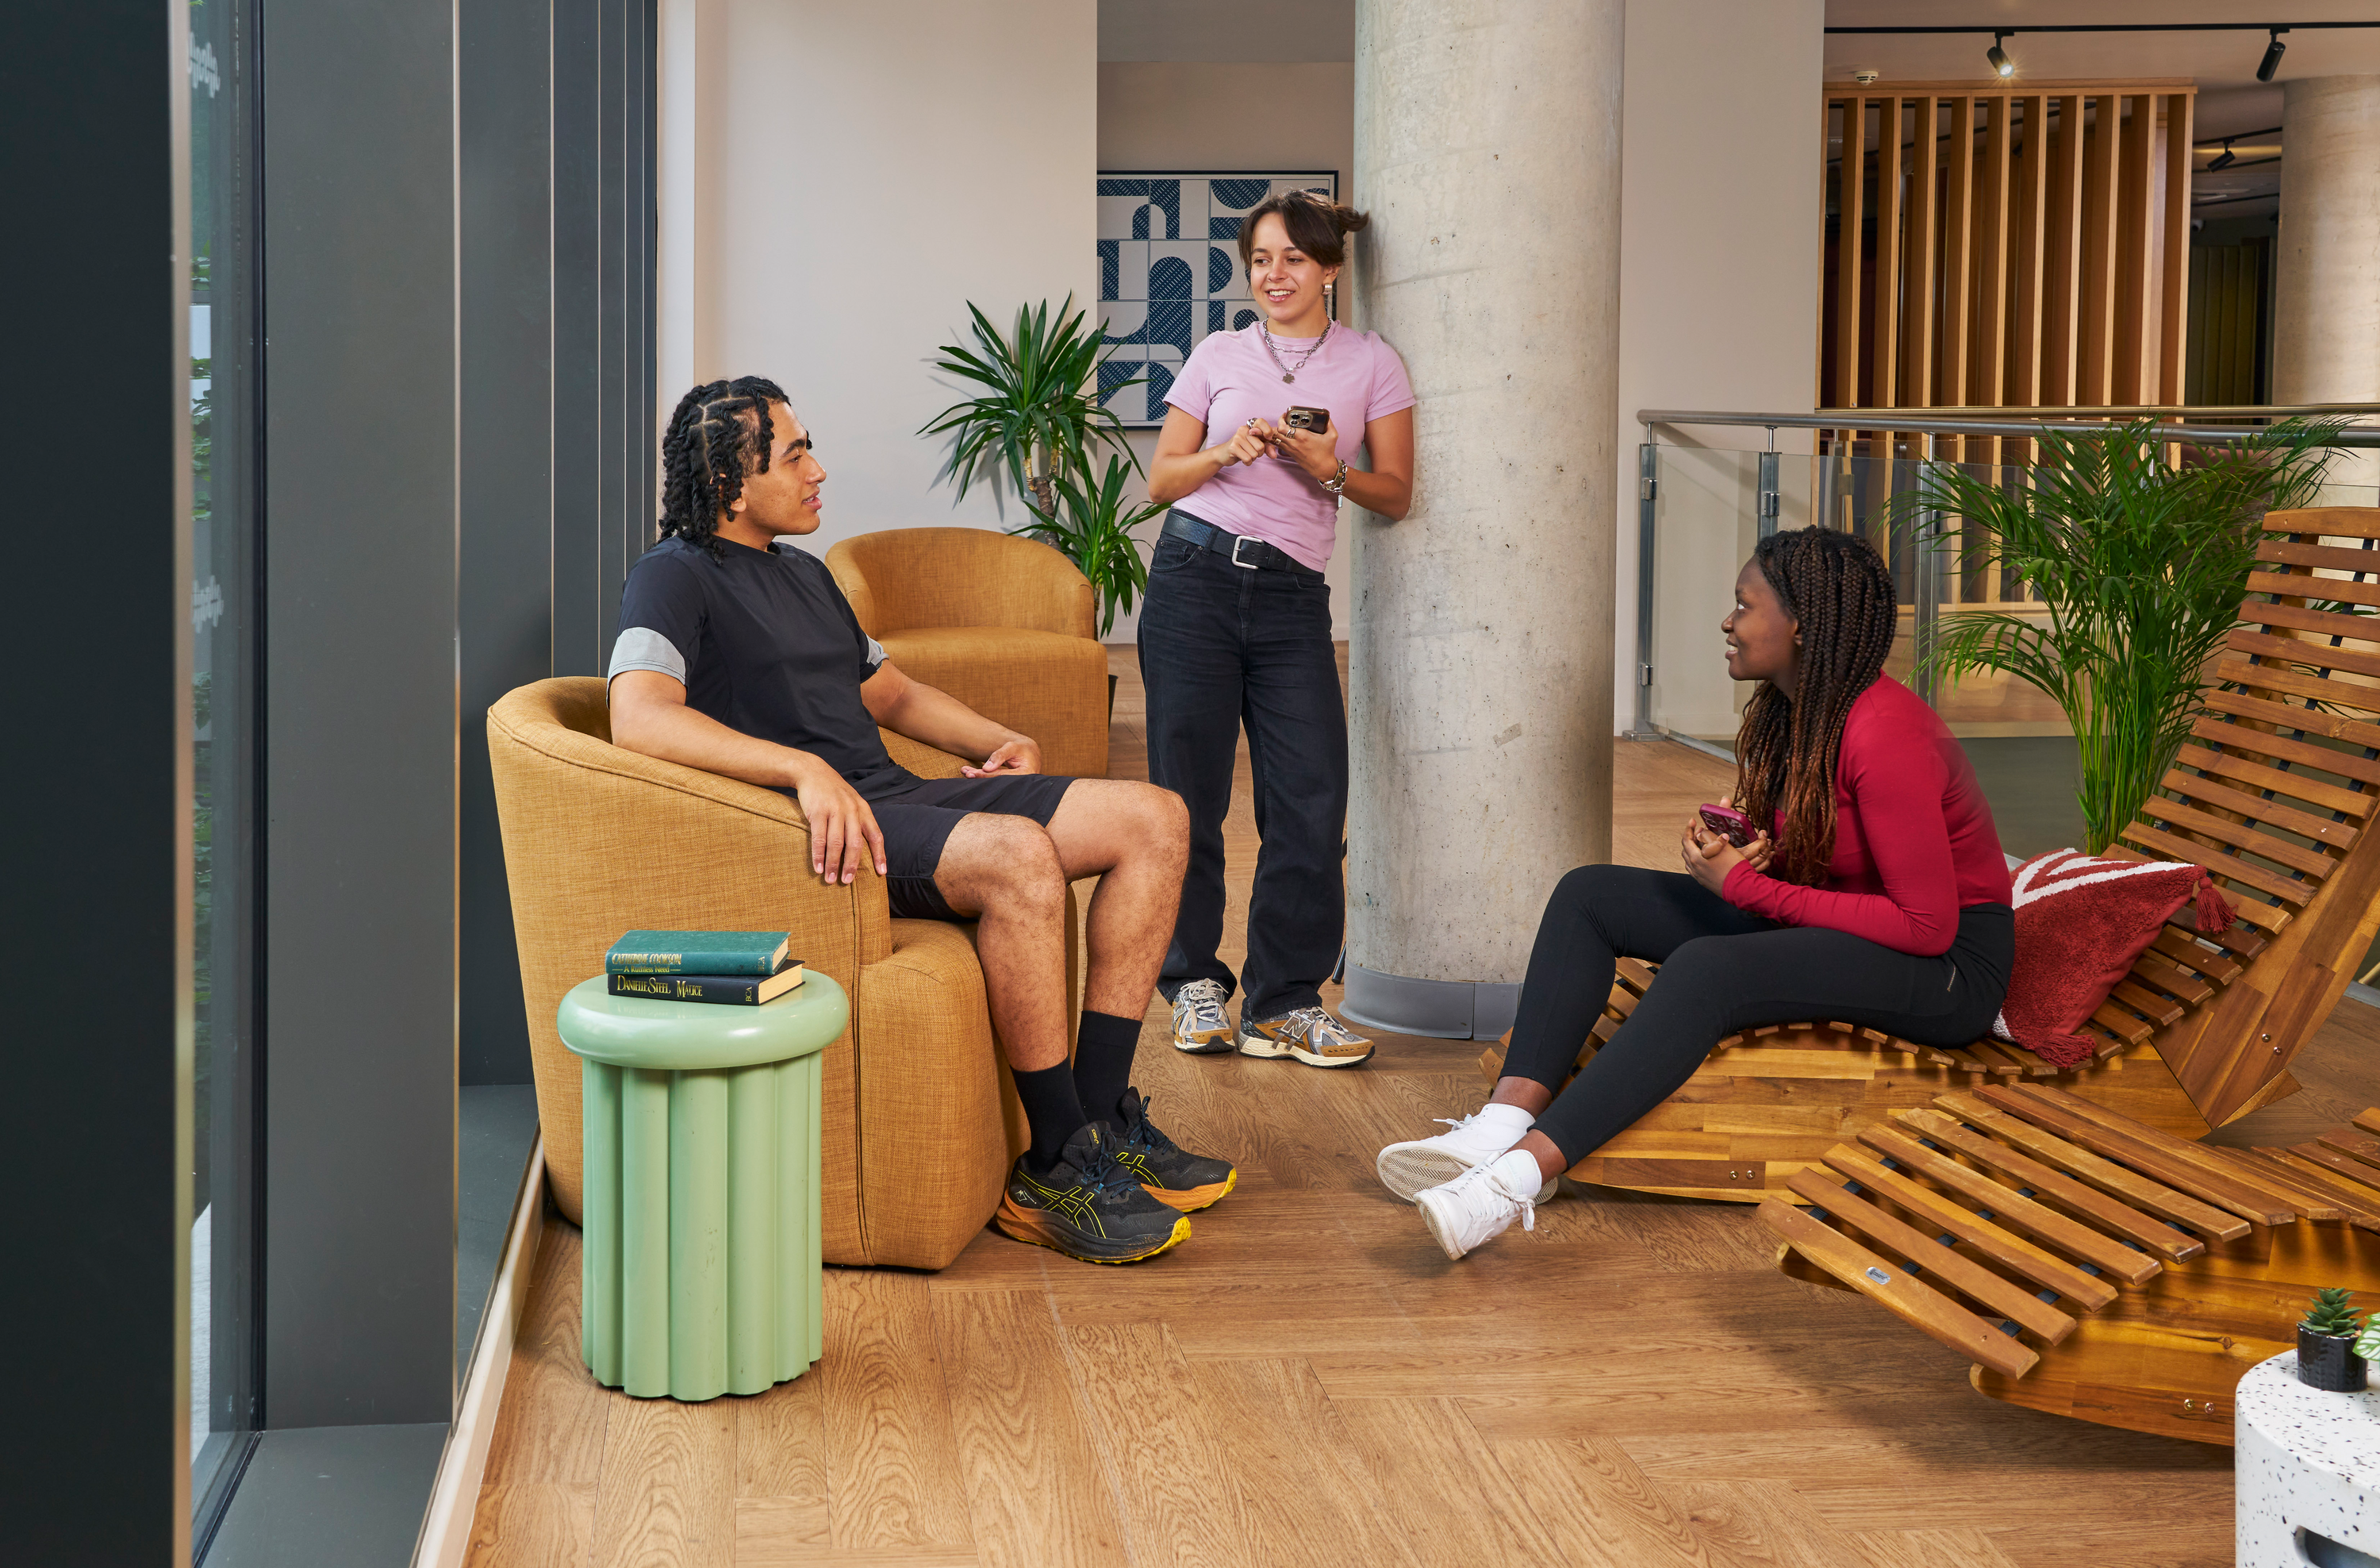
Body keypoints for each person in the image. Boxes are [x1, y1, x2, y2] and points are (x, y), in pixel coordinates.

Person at [607, 376, 1233, 1266]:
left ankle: (1099, 1125)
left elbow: (890, 691)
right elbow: (639, 715)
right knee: (1021, 855)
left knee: (1155, 818)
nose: (818, 470)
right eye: (793, 456)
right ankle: (1054, 1166)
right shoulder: (671, 575)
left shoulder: (806, 573)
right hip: (821, 833)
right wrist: (802, 768)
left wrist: (998, 735)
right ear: (730, 485)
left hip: (892, 795)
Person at [1376, 526, 2015, 1260]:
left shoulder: (1885, 732)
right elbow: (1835, 858)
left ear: (1801, 624)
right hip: (1862, 931)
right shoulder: (1795, 712)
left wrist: (1748, 889)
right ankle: (1499, 1127)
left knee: (1710, 968)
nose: (1727, 621)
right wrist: (1747, 857)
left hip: (1948, 970)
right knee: (1591, 895)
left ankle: (1511, 1185)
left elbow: (1925, 925)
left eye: (1743, 606)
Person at [1138, 189, 1415, 1068]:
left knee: (1310, 797)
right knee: (1190, 798)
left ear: (1331, 268)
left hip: (1292, 597)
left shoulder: (1374, 364)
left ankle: (1285, 1001)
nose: (1275, 275)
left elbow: (1396, 494)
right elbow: (1160, 481)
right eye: (1261, 259)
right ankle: (1192, 983)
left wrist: (1331, 469)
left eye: (1294, 259)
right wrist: (1227, 452)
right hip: (1192, 581)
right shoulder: (1218, 352)